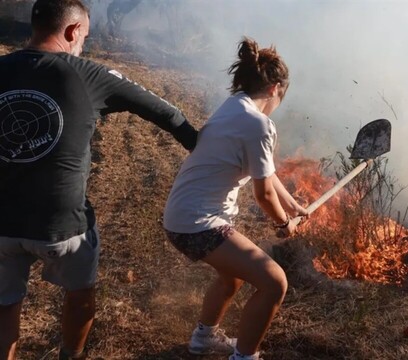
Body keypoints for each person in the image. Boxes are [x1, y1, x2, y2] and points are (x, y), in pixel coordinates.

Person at [0, 1, 199, 359]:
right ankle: (70, 355)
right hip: (62, 228)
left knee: (4, 302)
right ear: (73, 31)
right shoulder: (88, 74)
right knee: (80, 294)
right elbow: (166, 113)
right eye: (86, 37)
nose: (84, 45)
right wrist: (200, 148)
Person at [163, 37, 308, 360]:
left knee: (233, 279)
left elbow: (266, 175)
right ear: (274, 89)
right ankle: (244, 357)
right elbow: (263, 193)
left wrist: (294, 205)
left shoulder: (233, 107)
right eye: (280, 98)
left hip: (181, 216)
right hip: (198, 223)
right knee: (274, 283)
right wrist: (284, 223)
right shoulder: (258, 124)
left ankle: (203, 338)